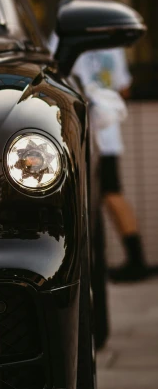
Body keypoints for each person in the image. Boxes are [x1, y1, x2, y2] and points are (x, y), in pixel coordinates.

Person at [71, 48, 149, 282]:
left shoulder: (66, 31)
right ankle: (136, 259)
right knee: (110, 193)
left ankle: (136, 260)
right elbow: (123, 87)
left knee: (108, 193)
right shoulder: (114, 43)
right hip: (105, 132)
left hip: (86, 133)